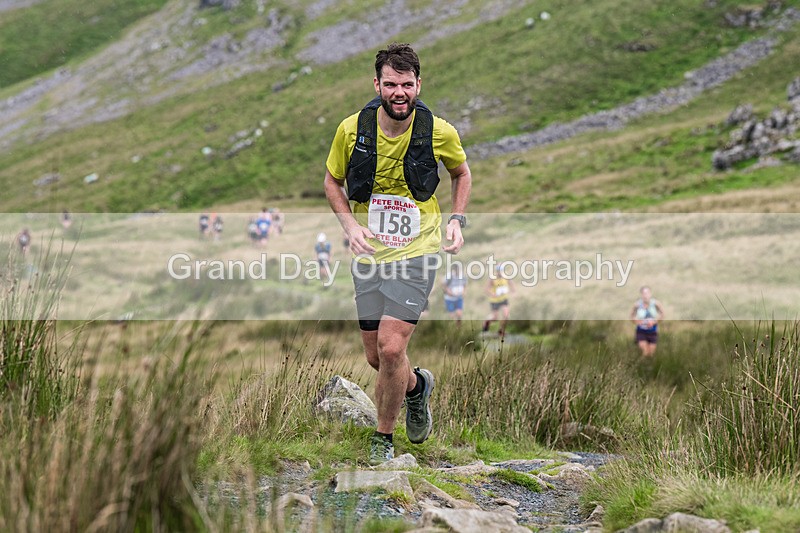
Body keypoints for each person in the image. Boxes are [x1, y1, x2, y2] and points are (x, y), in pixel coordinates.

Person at [323, 43, 472, 465]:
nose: (400, 92)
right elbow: (332, 182)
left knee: (391, 348)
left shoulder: (439, 131)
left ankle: (383, 439)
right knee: (376, 357)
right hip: (370, 251)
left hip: (419, 249)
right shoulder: (351, 130)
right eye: (391, 84)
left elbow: (461, 173)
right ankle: (415, 388)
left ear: (418, 85)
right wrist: (350, 227)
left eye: (407, 84)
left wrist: (457, 220)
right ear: (377, 85)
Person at [630, 286, 665, 359]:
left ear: (650, 293)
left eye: (647, 293)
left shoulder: (656, 303)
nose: (646, 295)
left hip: (652, 331)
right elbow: (631, 316)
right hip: (641, 331)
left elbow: (662, 314)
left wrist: (654, 322)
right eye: (644, 293)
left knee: (651, 354)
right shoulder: (637, 304)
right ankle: (642, 367)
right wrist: (636, 321)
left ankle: (649, 368)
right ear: (641, 294)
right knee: (645, 352)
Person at [482, 264, 512, 339]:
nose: (500, 273)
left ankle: (501, 330)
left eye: (501, 271)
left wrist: (511, 293)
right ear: (496, 271)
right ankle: (486, 322)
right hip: (495, 300)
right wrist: (493, 294)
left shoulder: (507, 278)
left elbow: (513, 288)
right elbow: (486, 289)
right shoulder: (492, 279)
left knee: (506, 316)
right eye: (498, 271)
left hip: (504, 299)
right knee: (495, 317)